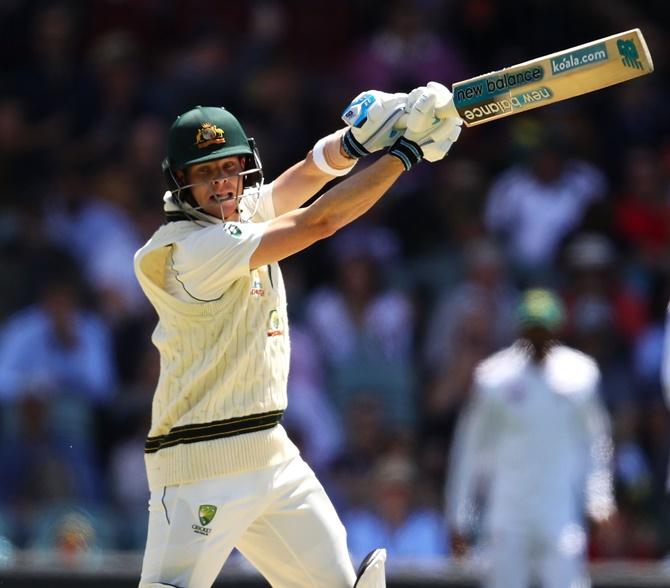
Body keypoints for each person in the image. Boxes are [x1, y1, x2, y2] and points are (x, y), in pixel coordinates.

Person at [133, 83, 462, 588]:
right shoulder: (189, 250)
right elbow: (320, 220)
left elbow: (305, 176)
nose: (223, 184)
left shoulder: (237, 212)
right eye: (206, 173)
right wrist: (405, 153)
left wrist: (355, 142)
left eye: (230, 168)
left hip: (271, 453)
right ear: (181, 182)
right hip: (199, 463)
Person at [446, 289, 615, 588]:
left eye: (544, 329)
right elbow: (470, 450)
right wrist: (461, 516)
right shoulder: (494, 379)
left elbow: (595, 442)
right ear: (520, 329)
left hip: (559, 513)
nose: (538, 337)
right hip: (507, 517)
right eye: (532, 329)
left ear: (557, 328)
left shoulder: (579, 376)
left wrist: (599, 498)